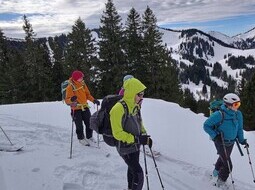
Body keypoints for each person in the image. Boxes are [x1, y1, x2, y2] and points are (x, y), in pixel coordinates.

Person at [110, 77, 152, 190]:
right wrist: (137, 139)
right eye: (139, 94)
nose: (142, 97)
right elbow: (117, 133)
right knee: (138, 174)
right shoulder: (117, 109)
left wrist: (144, 135)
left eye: (143, 94)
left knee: (132, 169)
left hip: (135, 145)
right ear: (132, 93)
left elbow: (139, 123)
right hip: (124, 147)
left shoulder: (135, 105)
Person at [203, 93, 248, 187]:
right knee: (228, 166)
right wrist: (215, 136)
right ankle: (220, 183)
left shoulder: (238, 114)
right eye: (236, 105)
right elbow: (206, 125)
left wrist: (242, 140)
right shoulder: (219, 114)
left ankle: (215, 173)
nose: (237, 107)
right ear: (228, 104)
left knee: (223, 158)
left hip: (231, 143)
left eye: (238, 104)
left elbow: (239, 129)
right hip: (221, 142)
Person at [65, 70, 100, 146]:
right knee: (79, 125)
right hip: (76, 109)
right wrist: (71, 99)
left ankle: (89, 136)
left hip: (85, 107)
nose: (82, 79)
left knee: (89, 123)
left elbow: (87, 95)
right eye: (80, 78)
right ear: (76, 78)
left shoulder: (83, 84)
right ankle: (81, 138)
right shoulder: (70, 87)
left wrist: (94, 100)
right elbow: (67, 100)